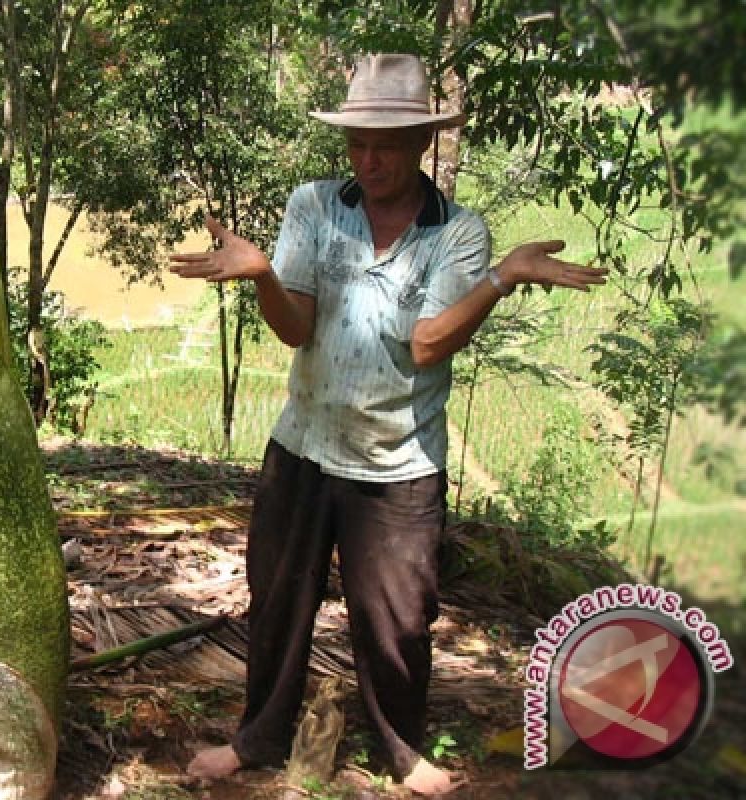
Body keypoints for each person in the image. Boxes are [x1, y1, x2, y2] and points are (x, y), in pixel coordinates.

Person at [169, 53, 606, 796]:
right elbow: (296, 330)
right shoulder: (313, 206)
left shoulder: (457, 232)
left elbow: (429, 341)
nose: (369, 159)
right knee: (277, 601)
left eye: (387, 145)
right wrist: (264, 277)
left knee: (399, 623)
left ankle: (403, 750)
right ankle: (259, 739)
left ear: (420, 144)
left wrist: (503, 278)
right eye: (357, 144)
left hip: (399, 464)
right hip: (303, 447)